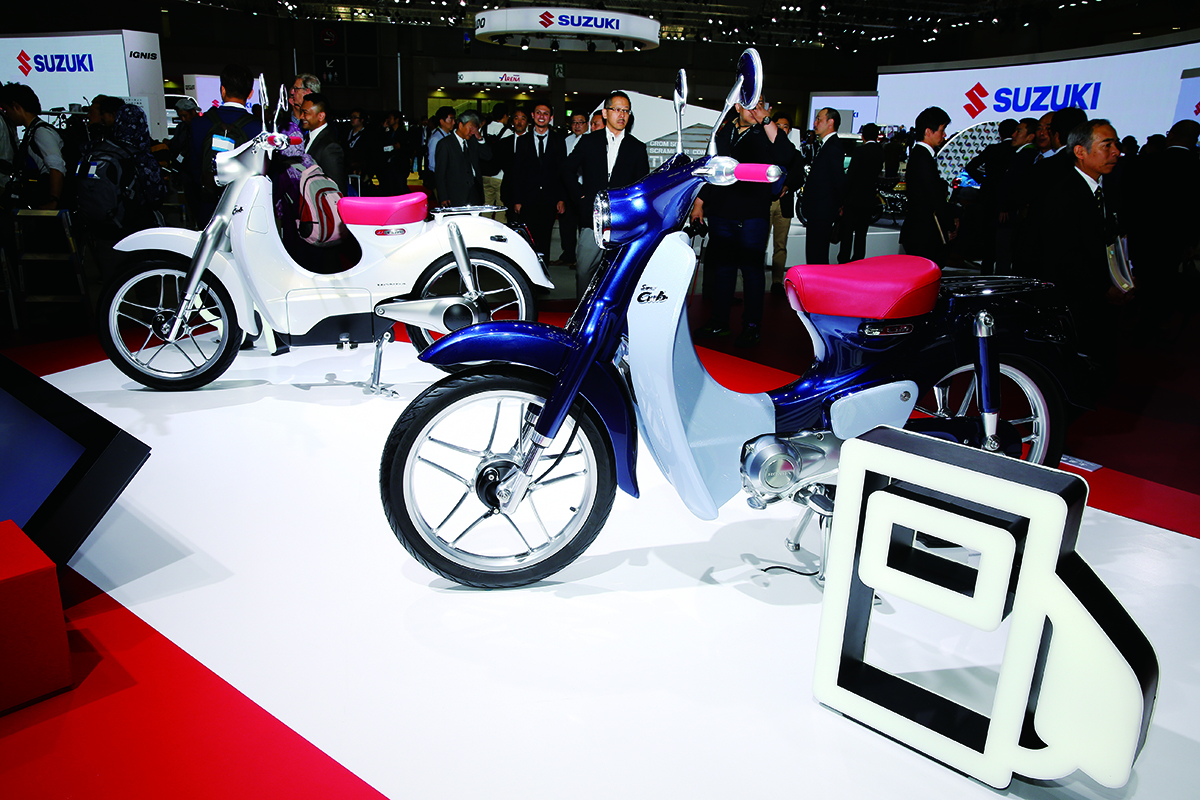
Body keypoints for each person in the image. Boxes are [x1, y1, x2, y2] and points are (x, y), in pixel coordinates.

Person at [692, 97, 796, 346]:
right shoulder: (724, 131)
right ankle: (719, 322)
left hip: (752, 214)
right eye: (750, 104)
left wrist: (766, 120)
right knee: (724, 270)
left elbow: (787, 156)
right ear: (738, 107)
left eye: (760, 104)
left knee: (752, 272)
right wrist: (699, 203)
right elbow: (711, 168)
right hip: (721, 212)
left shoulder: (766, 132)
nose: (755, 109)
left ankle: (751, 326)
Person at [1031, 119, 1124, 368]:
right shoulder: (1062, 195)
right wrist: (1103, 288)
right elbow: (1063, 254)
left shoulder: (1108, 187)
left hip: (1099, 297)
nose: (1116, 152)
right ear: (1080, 151)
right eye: (1107, 145)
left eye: (1116, 144)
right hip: (1076, 299)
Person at [561, 91, 650, 298]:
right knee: (584, 271)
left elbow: (641, 185)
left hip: (623, 221)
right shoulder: (589, 141)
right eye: (617, 109)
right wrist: (581, 197)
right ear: (605, 113)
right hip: (592, 218)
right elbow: (566, 170)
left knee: (618, 275)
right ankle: (584, 313)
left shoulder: (637, 147)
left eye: (626, 111)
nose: (622, 115)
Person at [192, 64, 263, 225]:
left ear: (222, 90)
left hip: (209, 206)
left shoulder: (199, 124)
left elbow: (195, 168)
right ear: (250, 94)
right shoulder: (258, 128)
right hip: (244, 209)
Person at [512, 103, 566, 262]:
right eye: (538, 113)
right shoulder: (523, 141)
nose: (542, 116)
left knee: (545, 238)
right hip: (528, 198)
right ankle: (529, 272)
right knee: (528, 240)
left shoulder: (558, 140)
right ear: (533, 115)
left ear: (551, 117)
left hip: (550, 198)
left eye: (546, 113)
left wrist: (561, 198)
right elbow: (517, 172)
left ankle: (543, 273)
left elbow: (562, 171)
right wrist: (517, 200)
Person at [899, 106, 955, 262]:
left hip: (918, 231)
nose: (944, 135)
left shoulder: (919, 155)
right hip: (923, 233)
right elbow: (934, 196)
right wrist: (950, 225)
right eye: (942, 130)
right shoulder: (924, 158)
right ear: (929, 131)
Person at [0, 82, 65, 210]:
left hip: (49, 200)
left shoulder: (41, 132)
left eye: (6, 110)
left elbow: (57, 166)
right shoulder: (32, 131)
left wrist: (53, 200)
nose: (6, 115)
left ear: (16, 107)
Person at [801, 107, 845, 265]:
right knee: (815, 252)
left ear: (830, 122)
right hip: (819, 209)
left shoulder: (832, 147)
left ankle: (818, 280)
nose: (815, 123)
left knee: (817, 254)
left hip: (822, 210)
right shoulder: (826, 145)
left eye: (819, 119)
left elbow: (838, 180)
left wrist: (839, 204)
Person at [768, 114, 804, 294]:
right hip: (765, 203)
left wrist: (788, 186)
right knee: (758, 243)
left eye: (786, 126)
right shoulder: (765, 149)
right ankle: (754, 281)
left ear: (789, 130)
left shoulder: (794, 154)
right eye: (779, 125)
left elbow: (799, 177)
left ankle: (777, 282)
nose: (782, 128)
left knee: (780, 245)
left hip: (784, 204)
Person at [839, 122, 884, 264]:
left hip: (853, 198)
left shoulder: (860, 151)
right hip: (869, 197)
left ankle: (844, 260)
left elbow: (851, 176)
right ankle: (858, 260)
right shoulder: (880, 152)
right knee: (861, 233)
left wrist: (842, 198)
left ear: (863, 136)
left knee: (847, 232)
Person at [435, 110, 490, 207]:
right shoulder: (445, 144)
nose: (472, 132)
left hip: (474, 192)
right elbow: (440, 173)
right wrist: (443, 196)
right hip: (456, 194)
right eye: (470, 128)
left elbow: (488, 156)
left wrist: (479, 138)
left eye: (475, 128)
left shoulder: (472, 141)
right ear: (461, 125)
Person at [556, 112, 589, 266]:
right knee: (566, 224)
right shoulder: (566, 141)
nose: (577, 126)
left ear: (587, 124)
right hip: (568, 188)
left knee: (583, 225)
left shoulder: (591, 140)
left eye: (580, 122)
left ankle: (582, 259)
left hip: (584, 188)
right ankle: (568, 255)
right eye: (574, 122)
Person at [298, 93, 345, 192]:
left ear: (321, 116)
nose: (301, 116)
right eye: (301, 112)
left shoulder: (330, 147)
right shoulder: (306, 137)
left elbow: (337, 189)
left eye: (305, 112)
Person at [481, 103, 512, 219]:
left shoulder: (483, 129)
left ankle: (485, 227)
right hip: (500, 176)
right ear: (505, 115)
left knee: (486, 206)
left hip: (484, 173)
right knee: (501, 208)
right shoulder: (507, 132)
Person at [425, 106, 455, 201]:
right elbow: (432, 163)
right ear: (442, 121)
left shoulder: (449, 135)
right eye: (451, 119)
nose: (453, 122)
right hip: (441, 178)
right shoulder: (436, 138)